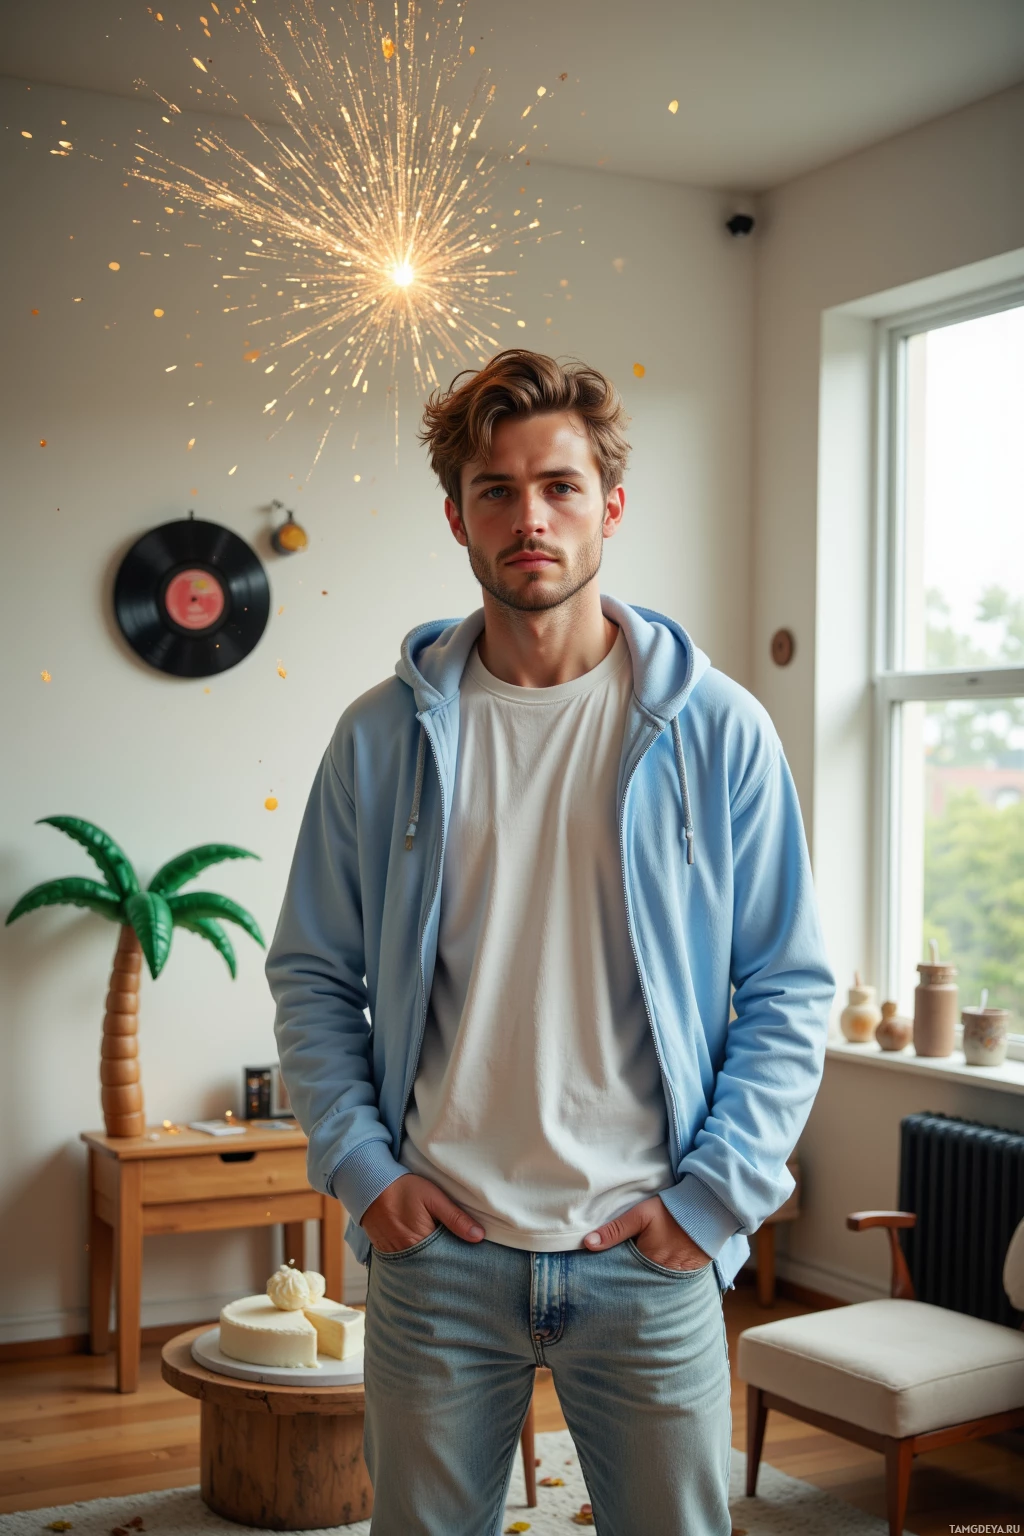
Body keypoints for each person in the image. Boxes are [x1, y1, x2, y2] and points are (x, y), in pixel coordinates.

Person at [265, 349, 835, 1535]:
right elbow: (315, 976)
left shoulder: (717, 728)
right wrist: (366, 1177)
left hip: (651, 1251)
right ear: (457, 518)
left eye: (560, 486)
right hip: (437, 1261)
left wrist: (711, 1202)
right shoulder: (377, 739)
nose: (530, 517)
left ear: (610, 506)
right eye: (496, 490)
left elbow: (787, 984)